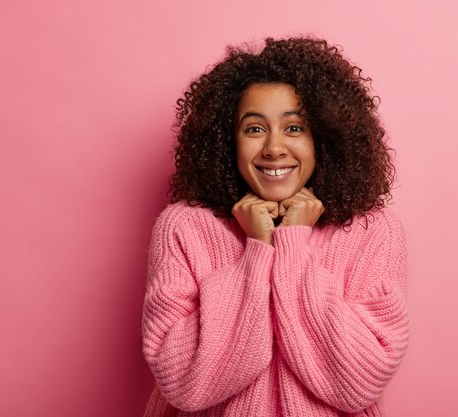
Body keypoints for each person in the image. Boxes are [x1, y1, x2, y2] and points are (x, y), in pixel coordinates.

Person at [141, 36, 409, 417]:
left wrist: (293, 246)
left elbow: (360, 380)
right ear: (226, 141)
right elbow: (184, 382)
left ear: (325, 138)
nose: (273, 148)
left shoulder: (373, 231)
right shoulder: (184, 227)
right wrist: (258, 250)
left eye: (295, 128)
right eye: (254, 129)